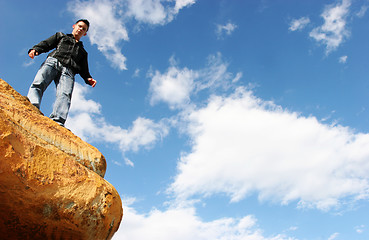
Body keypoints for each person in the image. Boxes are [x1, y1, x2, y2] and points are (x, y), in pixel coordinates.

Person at [27, 19, 97, 127]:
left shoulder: (83, 52)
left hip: (69, 72)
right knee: (39, 82)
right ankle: (31, 105)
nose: (81, 29)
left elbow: (84, 69)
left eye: (84, 29)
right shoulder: (61, 36)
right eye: (80, 26)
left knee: (65, 95)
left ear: (85, 33)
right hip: (53, 62)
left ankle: (57, 121)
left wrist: (88, 78)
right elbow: (47, 43)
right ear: (74, 26)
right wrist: (36, 49)